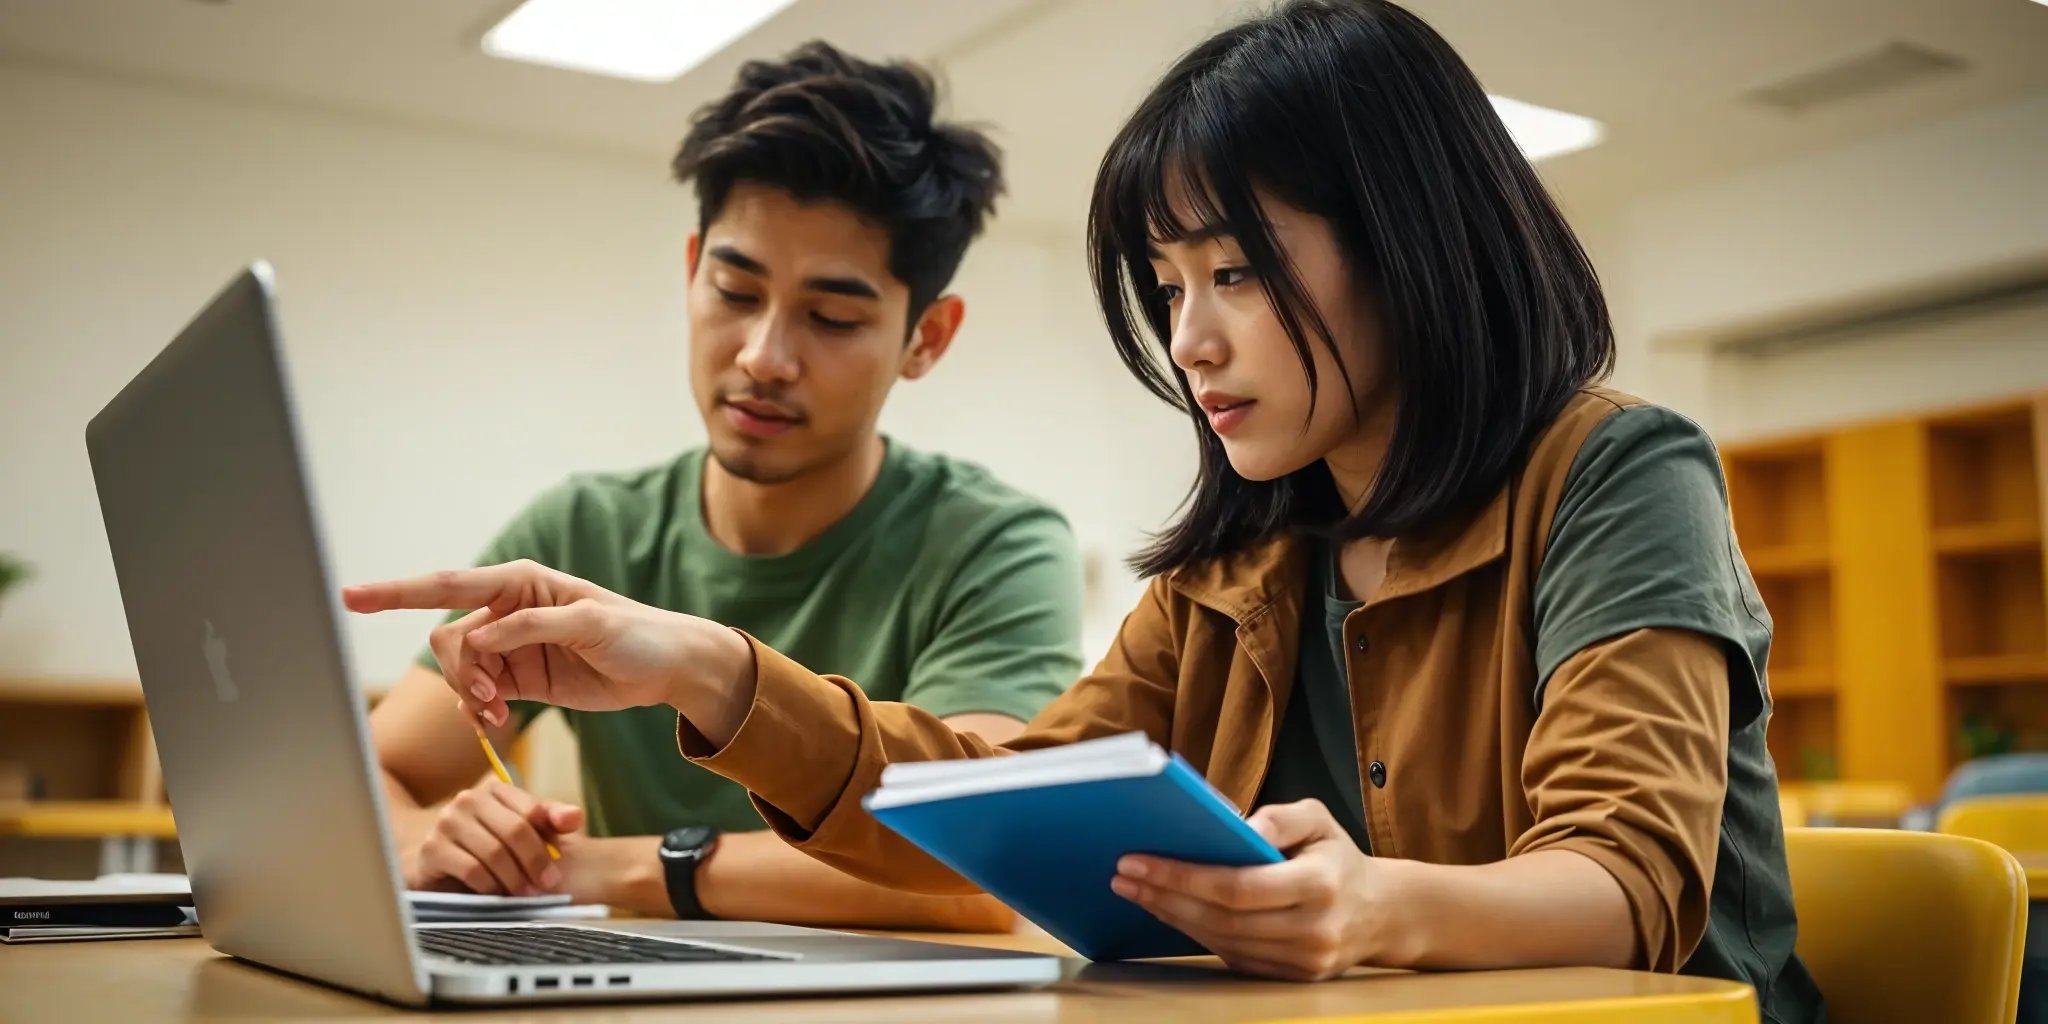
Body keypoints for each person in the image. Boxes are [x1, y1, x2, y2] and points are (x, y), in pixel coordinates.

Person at [345, 1, 1823, 1017]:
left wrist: (1373, 908)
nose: (1189, 341)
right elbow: (985, 811)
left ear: (1411, 245)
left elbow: (1626, 879)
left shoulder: (1618, 470)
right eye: (1171, 288)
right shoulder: (1250, 557)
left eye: (1236, 273)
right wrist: (713, 674)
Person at [363, 41, 1085, 932]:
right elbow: (372, 777)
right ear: (692, 268)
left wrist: (606, 868)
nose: (763, 356)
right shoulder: (583, 530)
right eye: (736, 291)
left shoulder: (994, 545)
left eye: (831, 318)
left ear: (927, 337)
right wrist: (430, 845)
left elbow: (978, 866)